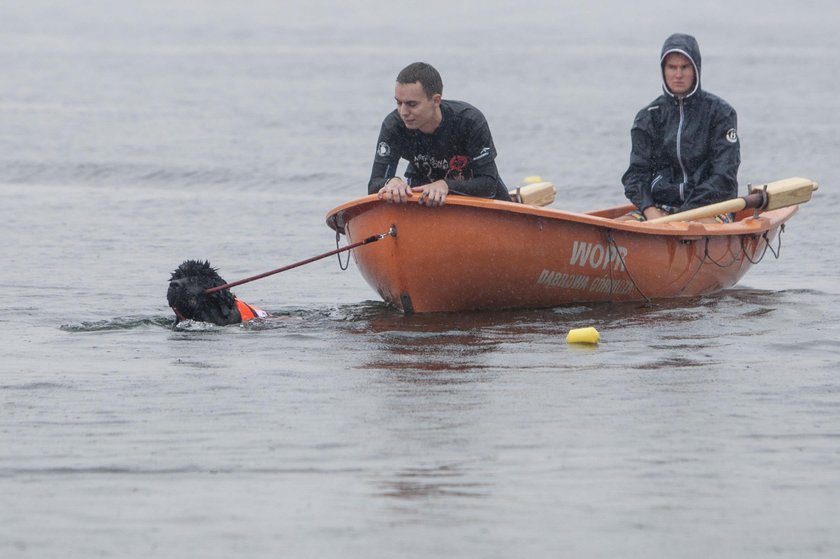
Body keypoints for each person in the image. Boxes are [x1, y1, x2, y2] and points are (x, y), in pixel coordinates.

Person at [620, 33, 740, 223]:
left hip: (709, 207)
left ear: (696, 70)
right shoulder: (648, 117)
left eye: (684, 67)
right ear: (663, 70)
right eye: (672, 67)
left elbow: (724, 176)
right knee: (621, 226)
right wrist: (650, 210)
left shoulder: (721, 113)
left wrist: (684, 214)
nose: (678, 74)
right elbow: (635, 176)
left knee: (694, 229)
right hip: (659, 208)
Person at [368, 62, 510, 207]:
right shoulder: (394, 126)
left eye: (412, 104)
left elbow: (489, 185)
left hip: (480, 199)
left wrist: (446, 185)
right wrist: (391, 182)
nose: (403, 112)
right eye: (399, 103)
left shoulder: (469, 121)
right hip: (423, 193)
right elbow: (374, 183)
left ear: (436, 100)